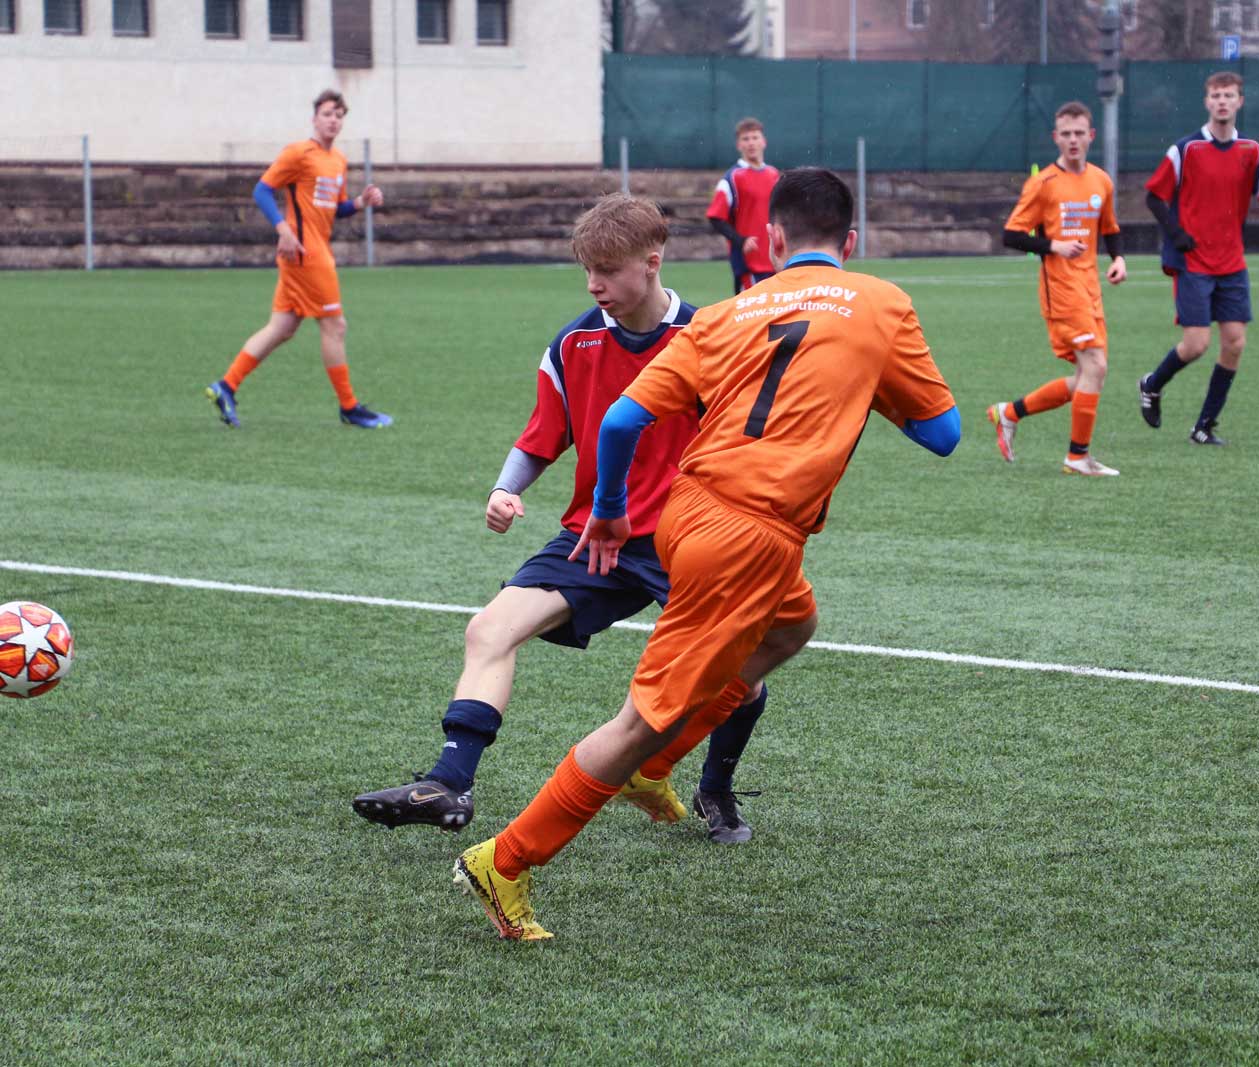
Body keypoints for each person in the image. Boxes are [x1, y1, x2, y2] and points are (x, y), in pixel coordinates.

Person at [451, 167, 961, 941]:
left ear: (773, 240)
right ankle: (505, 860)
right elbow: (942, 435)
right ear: (851, 242)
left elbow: (619, 424)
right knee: (639, 720)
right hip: (748, 535)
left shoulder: (727, 313)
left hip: (687, 513)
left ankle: (655, 769)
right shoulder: (882, 303)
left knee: (791, 628)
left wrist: (610, 512)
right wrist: (866, 379)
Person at [352, 194, 800, 846]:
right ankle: (450, 783)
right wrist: (504, 489)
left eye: (608, 270)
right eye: (587, 269)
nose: (594, 284)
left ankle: (716, 787)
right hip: (596, 537)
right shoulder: (572, 343)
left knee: (737, 675)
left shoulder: (712, 338)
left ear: (652, 261)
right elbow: (542, 435)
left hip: (690, 540)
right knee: (489, 630)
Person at [204, 89, 392, 430]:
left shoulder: (338, 160)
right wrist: (283, 229)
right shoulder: (298, 153)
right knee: (335, 326)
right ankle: (349, 407)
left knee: (282, 327)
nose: (333, 120)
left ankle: (225, 386)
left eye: (339, 115)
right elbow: (262, 190)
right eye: (327, 114)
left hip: (312, 251)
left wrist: (361, 202)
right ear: (314, 119)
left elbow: (336, 209)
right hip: (305, 254)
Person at [1136, 71, 1259, 446]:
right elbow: (1154, 196)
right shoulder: (1186, 150)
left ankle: (1204, 426)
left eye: (1229, 95)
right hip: (1194, 262)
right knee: (1196, 345)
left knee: (1235, 343)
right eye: (1216, 95)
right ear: (1206, 102)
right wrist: (1176, 234)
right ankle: (1152, 384)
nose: (1222, 101)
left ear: (1240, 102)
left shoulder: (1251, 150)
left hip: (1232, 262)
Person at [987, 101, 1128, 477]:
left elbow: (1110, 228)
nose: (1073, 140)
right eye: (1066, 134)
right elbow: (1011, 235)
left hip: (1091, 288)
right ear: (1056, 138)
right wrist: (1054, 246)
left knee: (1087, 376)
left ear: (1091, 136)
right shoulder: (1044, 184)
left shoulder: (1101, 181)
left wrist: (1118, 259)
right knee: (1095, 366)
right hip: (1061, 290)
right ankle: (1077, 457)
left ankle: (1009, 413)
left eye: (1079, 133)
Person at [706, 116, 780, 295]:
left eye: (755, 137)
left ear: (763, 142)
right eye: (745, 139)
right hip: (749, 265)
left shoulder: (774, 174)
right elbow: (715, 217)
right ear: (739, 145)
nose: (751, 143)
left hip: (775, 261)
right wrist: (741, 240)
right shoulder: (732, 178)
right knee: (752, 311)